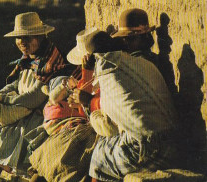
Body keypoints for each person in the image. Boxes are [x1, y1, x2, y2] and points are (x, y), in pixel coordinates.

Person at [71, 9, 184, 182]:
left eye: (125, 39)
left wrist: (88, 102)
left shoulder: (116, 71)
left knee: (99, 156)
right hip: (171, 138)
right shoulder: (144, 63)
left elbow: (112, 124)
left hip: (153, 147)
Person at [0, 12, 74, 181]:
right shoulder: (27, 60)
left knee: (1, 134)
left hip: (36, 116)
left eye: (28, 37)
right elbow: (16, 85)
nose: (22, 42)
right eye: (19, 38)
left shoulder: (50, 64)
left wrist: (3, 100)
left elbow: (33, 98)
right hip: (22, 111)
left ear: (40, 37)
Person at [26, 28, 119, 182]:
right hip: (89, 124)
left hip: (102, 128)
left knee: (68, 154)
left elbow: (99, 108)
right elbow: (82, 102)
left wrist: (85, 101)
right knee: (55, 151)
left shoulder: (110, 75)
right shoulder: (91, 74)